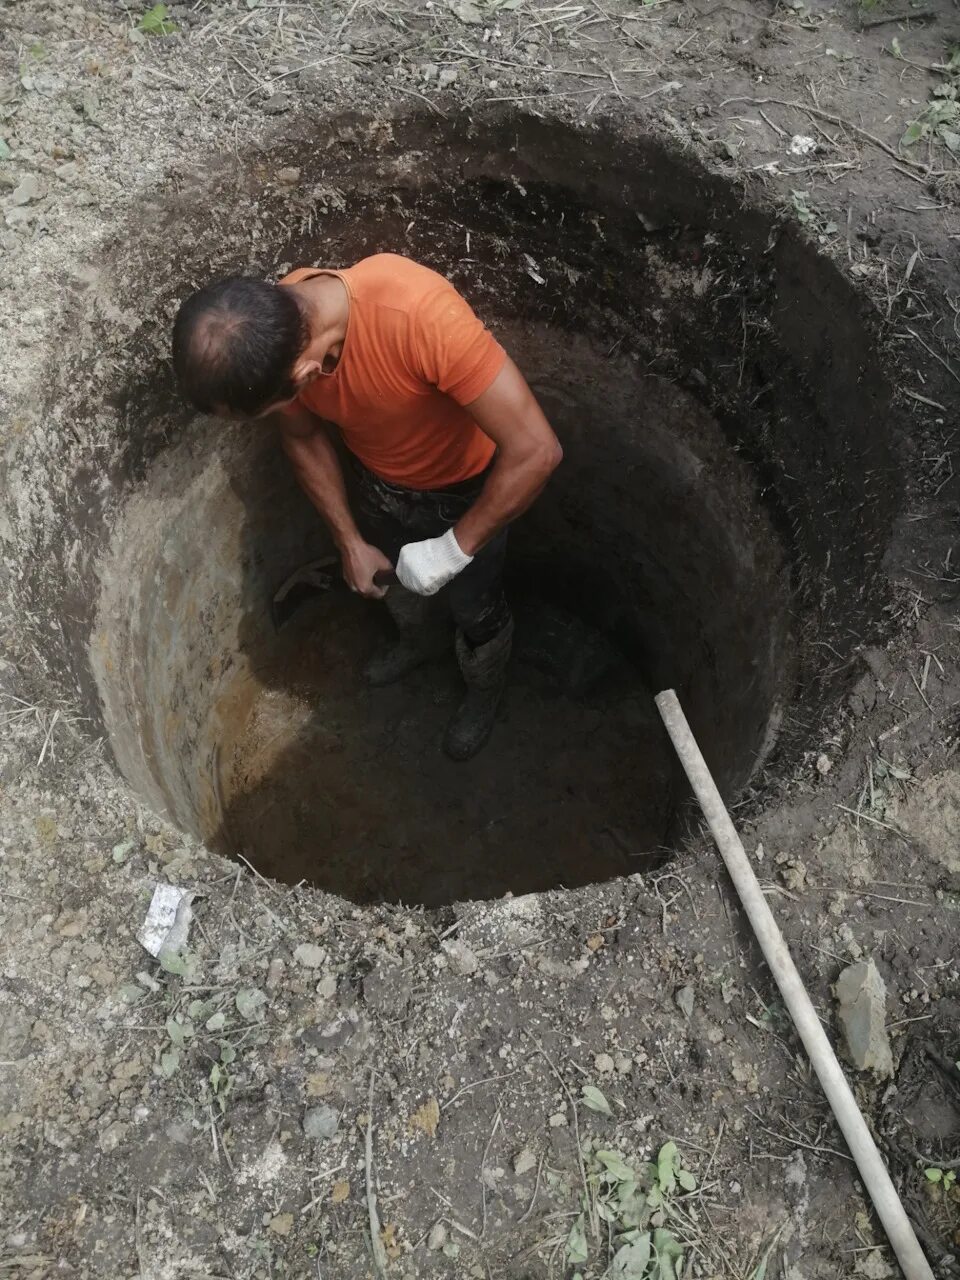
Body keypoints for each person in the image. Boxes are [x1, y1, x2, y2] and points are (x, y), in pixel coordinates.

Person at [171, 253, 562, 760]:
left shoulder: (420, 318)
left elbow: (537, 451)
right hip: (376, 480)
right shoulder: (280, 323)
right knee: (391, 581)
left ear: (305, 372)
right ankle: (419, 643)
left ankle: (484, 689)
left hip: (467, 492)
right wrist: (349, 540)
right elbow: (304, 435)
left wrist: (452, 549)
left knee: (475, 605)